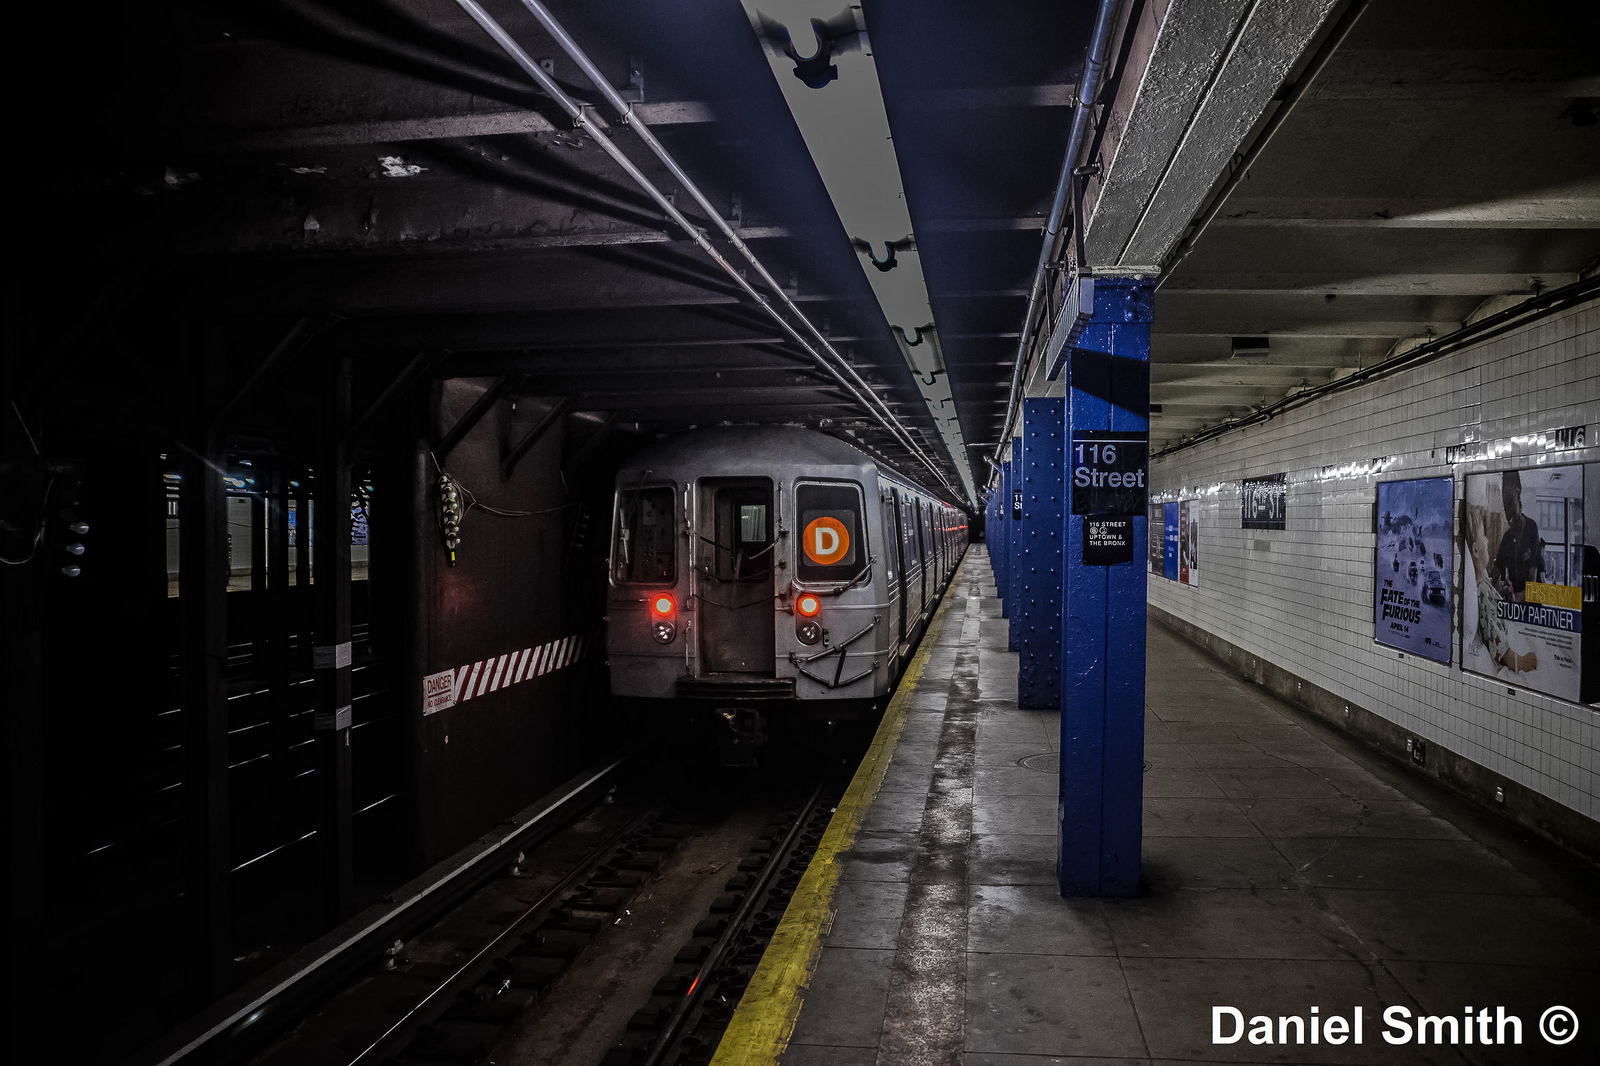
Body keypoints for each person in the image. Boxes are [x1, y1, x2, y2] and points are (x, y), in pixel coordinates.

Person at [1468, 507, 1536, 674]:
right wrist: (1517, 661)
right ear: (1476, 550)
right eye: (1484, 535)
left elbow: (1492, 607)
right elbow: (1494, 632)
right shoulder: (1482, 589)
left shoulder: (1484, 584)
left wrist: (1504, 592)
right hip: (1511, 646)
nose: (1488, 540)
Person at [1490, 470, 1545, 602]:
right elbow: (1496, 571)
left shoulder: (1531, 527)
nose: (1508, 513)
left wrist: (1516, 598)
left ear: (1518, 491)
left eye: (1509, 502)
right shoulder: (1507, 538)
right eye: (1505, 507)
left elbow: (1533, 579)